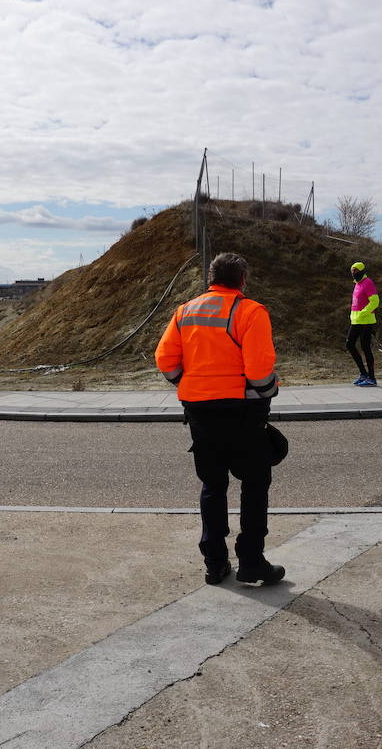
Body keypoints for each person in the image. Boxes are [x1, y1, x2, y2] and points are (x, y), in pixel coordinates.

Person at [155, 252, 284, 587]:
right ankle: (252, 562)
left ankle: (215, 563)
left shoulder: (185, 311)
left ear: (211, 278)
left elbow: (165, 359)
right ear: (242, 279)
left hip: (200, 412)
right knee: (254, 485)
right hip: (244, 413)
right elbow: (259, 371)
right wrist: (269, 390)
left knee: (213, 486)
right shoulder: (251, 311)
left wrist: (188, 383)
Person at [346, 261, 380, 387]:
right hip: (356, 321)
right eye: (352, 271)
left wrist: (363, 313)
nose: (354, 273)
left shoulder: (368, 283)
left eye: (356, 270)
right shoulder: (357, 284)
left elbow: (375, 301)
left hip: (366, 320)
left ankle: (372, 378)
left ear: (361, 270)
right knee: (349, 345)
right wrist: (354, 316)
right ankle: (363, 373)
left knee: (366, 348)